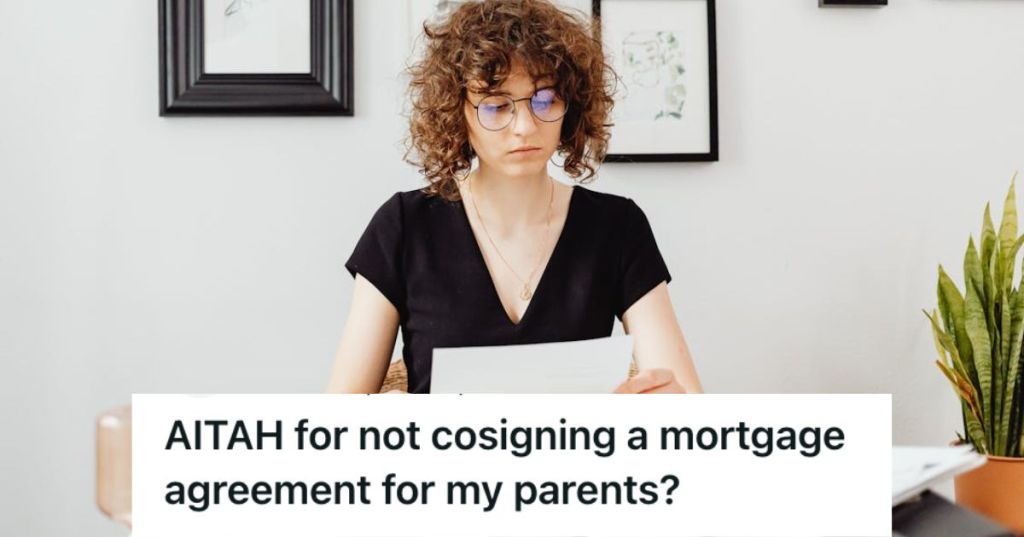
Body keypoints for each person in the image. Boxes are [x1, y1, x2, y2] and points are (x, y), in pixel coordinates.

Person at [326, 0, 702, 395]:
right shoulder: (404, 225)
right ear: (456, 112)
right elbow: (337, 414)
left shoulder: (617, 226)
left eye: (545, 99)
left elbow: (689, 400)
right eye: (495, 105)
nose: (524, 126)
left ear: (570, 104)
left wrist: (669, 404)